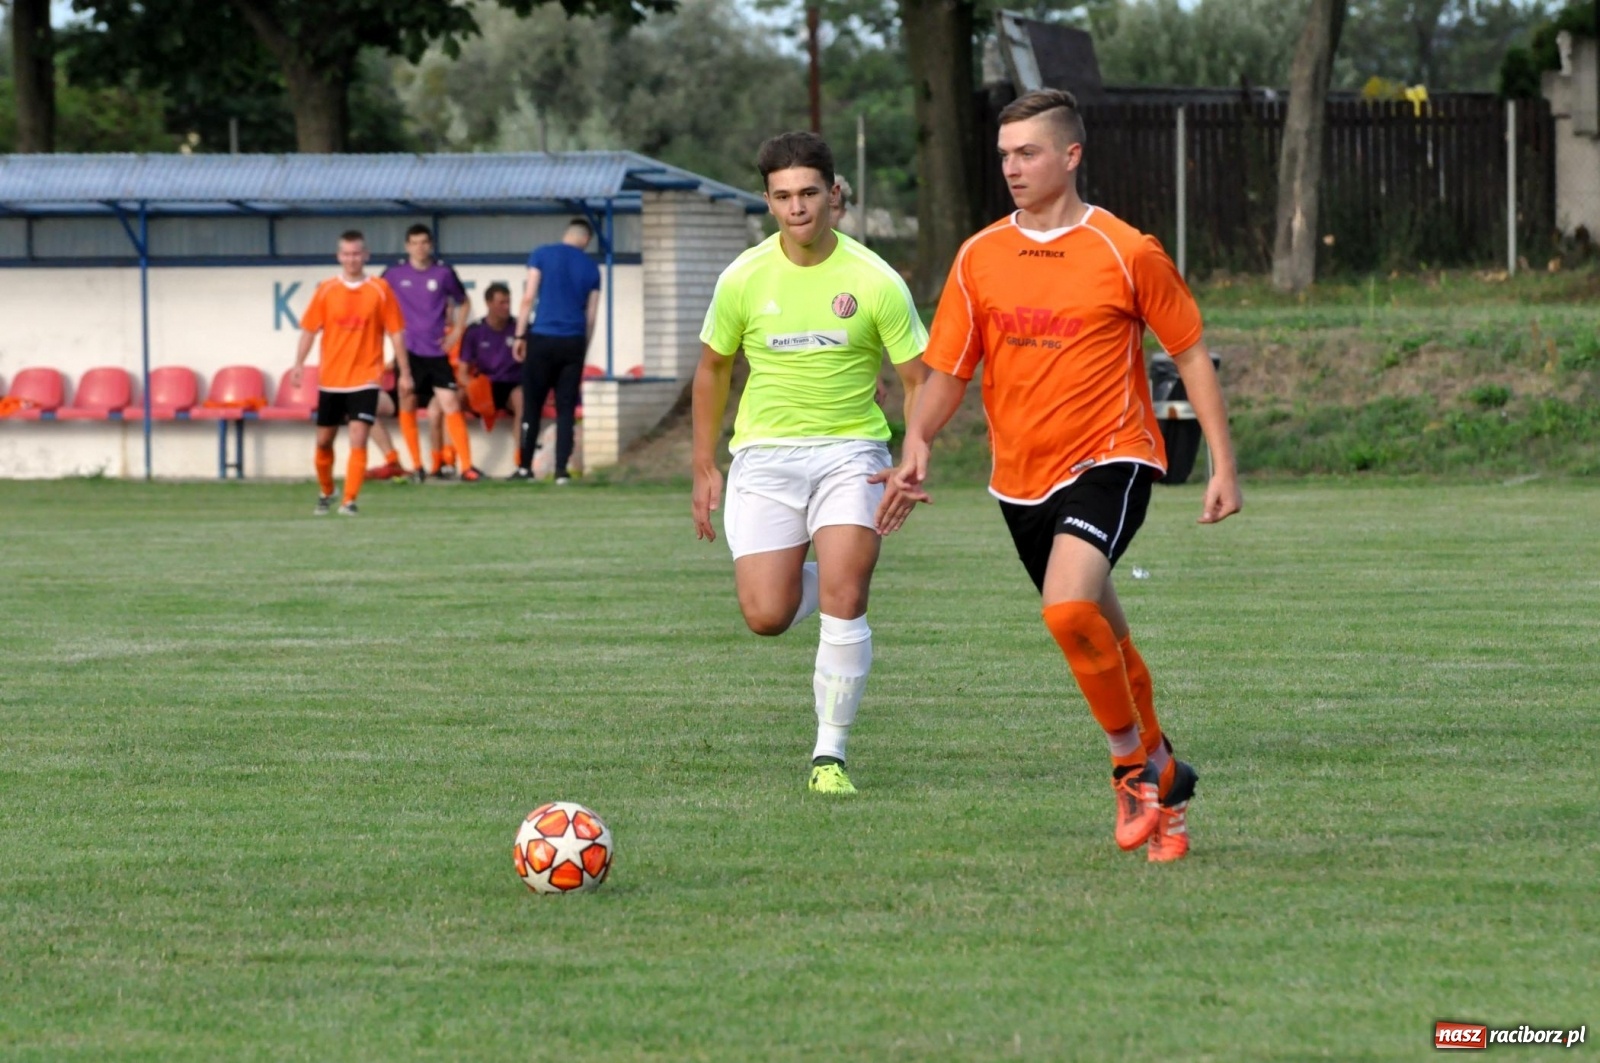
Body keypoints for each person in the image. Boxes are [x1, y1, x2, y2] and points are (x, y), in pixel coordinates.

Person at [874, 89, 1242, 861]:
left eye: (1028, 153)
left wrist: (1222, 463)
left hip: (1113, 456)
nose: (1012, 167)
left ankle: (1129, 767)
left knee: (1068, 607)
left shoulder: (1126, 249)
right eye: (1005, 155)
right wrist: (918, 439)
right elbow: (949, 371)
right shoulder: (979, 256)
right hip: (1020, 480)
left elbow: (1188, 352)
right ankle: (1166, 772)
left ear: (1071, 156)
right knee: (1099, 628)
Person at [693, 131, 929, 795]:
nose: (797, 207)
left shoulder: (875, 279)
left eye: (808, 193)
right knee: (766, 614)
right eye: (783, 196)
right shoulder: (742, 277)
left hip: (851, 452)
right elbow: (712, 368)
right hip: (764, 457)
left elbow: (918, 378)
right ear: (768, 201)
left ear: (833, 194)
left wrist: (914, 453)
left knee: (845, 601)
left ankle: (830, 755)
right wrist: (704, 464)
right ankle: (837, 566)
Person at [289, 230, 407, 516]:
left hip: (366, 377)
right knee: (323, 442)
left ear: (365, 255)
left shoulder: (380, 289)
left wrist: (405, 372)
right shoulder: (327, 290)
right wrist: (299, 363)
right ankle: (327, 490)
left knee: (358, 436)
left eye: (356, 254)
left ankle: (349, 500)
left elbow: (396, 332)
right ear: (339, 256)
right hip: (332, 379)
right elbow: (309, 330)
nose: (352, 259)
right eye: (347, 254)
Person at [383, 223, 481, 482]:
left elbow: (464, 301)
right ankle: (417, 466)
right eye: (414, 243)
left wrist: (457, 331)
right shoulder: (393, 274)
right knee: (407, 402)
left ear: (431, 245)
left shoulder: (443, 273)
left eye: (424, 242)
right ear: (407, 246)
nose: (420, 247)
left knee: (450, 403)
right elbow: (377, 300)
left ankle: (466, 466)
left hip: (436, 352)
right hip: (408, 352)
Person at [511, 218, 602, 483]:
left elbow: (528, 298)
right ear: (586, 239)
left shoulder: (542, 254)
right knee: (566, 408)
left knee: (532, 405)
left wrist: (519, 335)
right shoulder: (591, 268)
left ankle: (525, 467)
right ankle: (561, 470)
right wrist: (584, 346)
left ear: (567, 234)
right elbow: (591, 315)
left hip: (542, 337)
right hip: (573, 341)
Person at [457, 282, 524, 463]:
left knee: (522, 399)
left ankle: (521, 460)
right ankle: (455, 460)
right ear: (488, 303)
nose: (506, 307)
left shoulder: (519, 328)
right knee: (455, 399)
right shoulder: (475, 331)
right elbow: (462, 373)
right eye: (501, 302)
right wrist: (475, 389)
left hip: (511, 385)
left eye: (508, 302)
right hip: (485, 386)